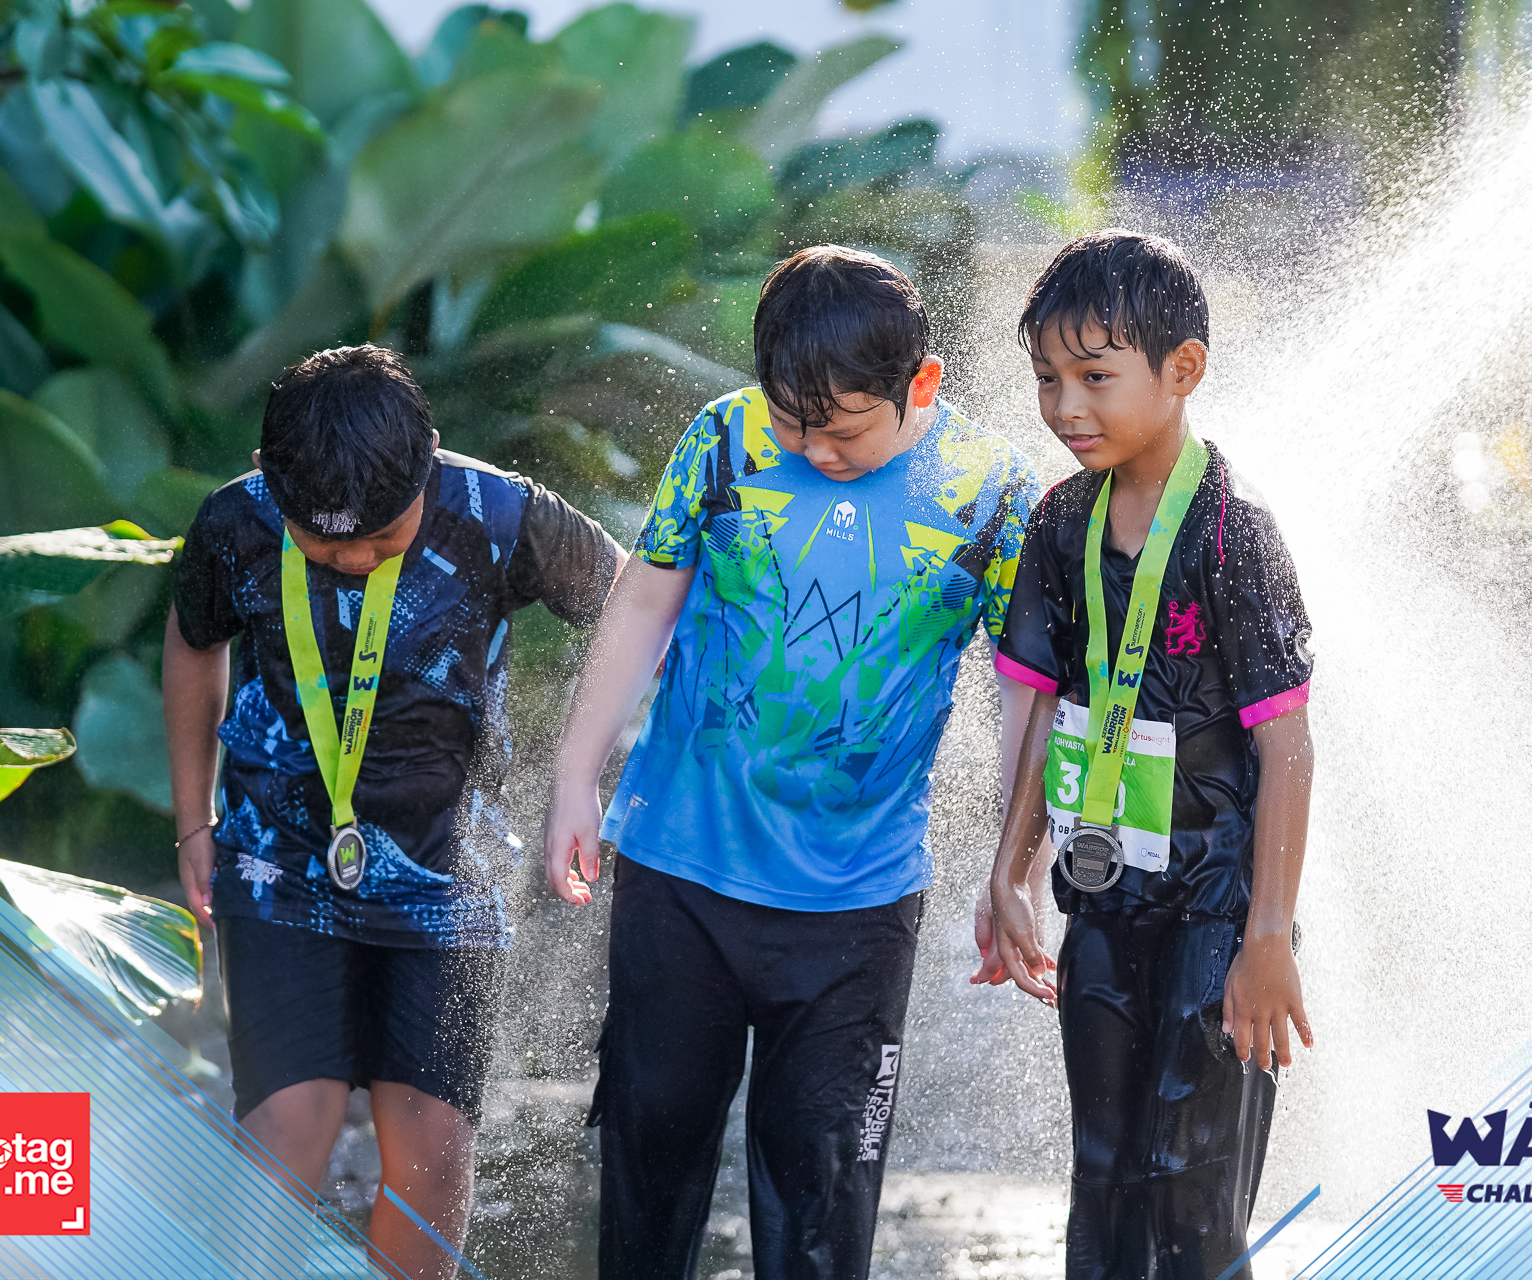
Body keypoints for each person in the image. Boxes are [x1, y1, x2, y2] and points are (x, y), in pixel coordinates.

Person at [542, 245, 1041, 1279]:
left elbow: (1023, 695)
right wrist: (574, 776)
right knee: (647, 1181)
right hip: (681, 871)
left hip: (859, 904)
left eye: (844, 429)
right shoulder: (725, 439)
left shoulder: (991, 492)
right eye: (793, 423)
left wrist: (1016, 866)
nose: (814, 449)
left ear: (922, 384)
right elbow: (645, 601)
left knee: (822, 1205)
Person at [162, 345, 622, 1280]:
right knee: (290, 1124)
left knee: (433, 1142)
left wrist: (578, 775)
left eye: (383, 533)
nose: (357, 557)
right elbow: (193, 640)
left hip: (450, 875)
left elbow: (633, 611)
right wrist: (193, 819)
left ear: (428, 461)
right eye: (326, 545)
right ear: (269, 480)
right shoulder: (235, 524)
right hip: (278, 861)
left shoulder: (503, 516)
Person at [984, 230, 1317, 1279]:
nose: (1065, 406)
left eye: (1095, 376)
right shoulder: (1060, 522)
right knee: (1103, 1180)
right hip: (1105, 896)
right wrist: (1010, 871)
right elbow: (1048, 711)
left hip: (1219, 911)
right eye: (1047, 379)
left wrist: (1268, 937)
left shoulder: (1232, 534)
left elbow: (1289, 749)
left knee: (1192, 1192)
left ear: (1183, 370)